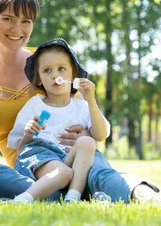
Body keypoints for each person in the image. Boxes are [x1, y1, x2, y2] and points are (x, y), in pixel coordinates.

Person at [0, 0, 161, 205]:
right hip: (32, 167)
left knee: (101, 173)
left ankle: (151, 197)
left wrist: (85, 133)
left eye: (25, 21)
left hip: (75, 156)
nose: (17, 29)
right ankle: (71, 191)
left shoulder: (47, 59)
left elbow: (79, 115)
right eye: (8, 19)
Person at [8, 38, 109, 203]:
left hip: (71, 162)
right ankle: (25, 198)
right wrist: (28, 133)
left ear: (73, 76)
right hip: (44, 159)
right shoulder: (34, 105)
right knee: (62, 171)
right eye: (47, 70)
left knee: (88, 142)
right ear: (39, 78)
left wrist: (91, 100)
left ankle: (72, 196)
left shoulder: (83, 107)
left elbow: (101, 135)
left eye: (61, 69)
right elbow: (21, 150)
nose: (55, 75)